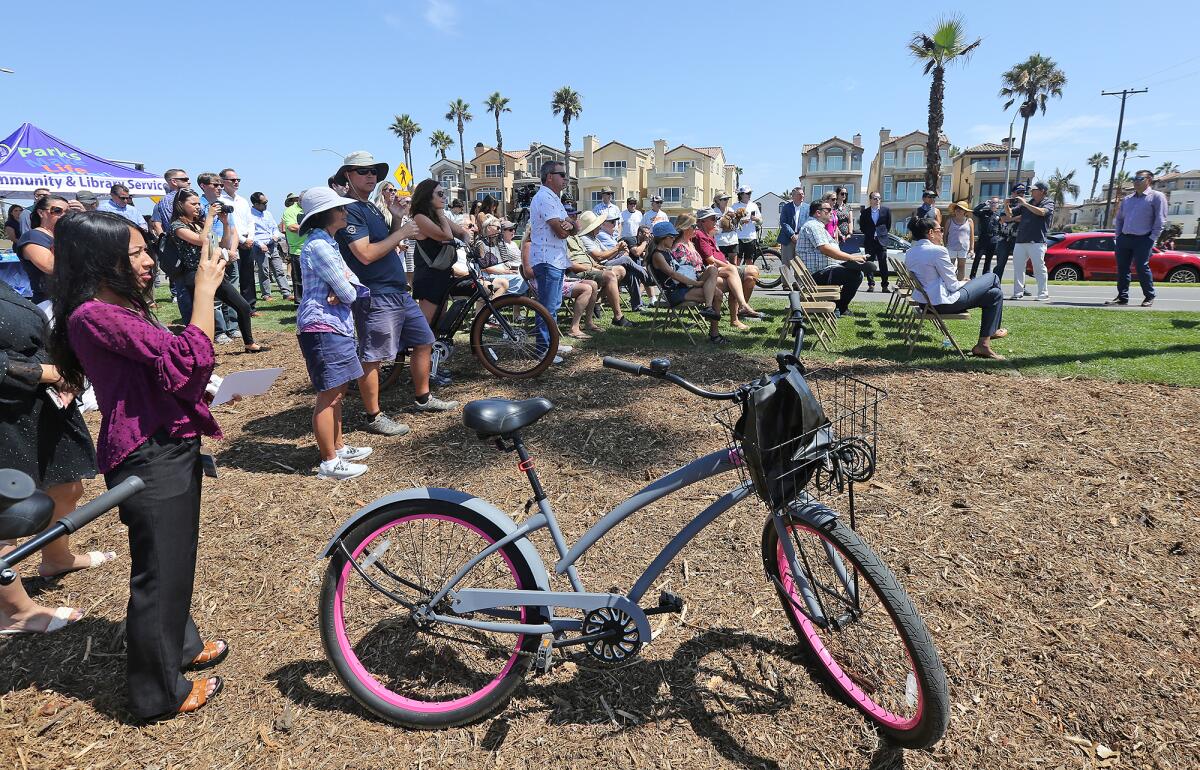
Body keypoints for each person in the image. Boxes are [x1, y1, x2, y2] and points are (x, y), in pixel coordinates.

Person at [52, 210, 230, 720]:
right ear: (99, 260)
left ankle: (180, 645)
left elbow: (166, 375)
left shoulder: (119, 306)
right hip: (146, 455)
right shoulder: (93, 315)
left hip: (166, 444)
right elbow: (189, 356)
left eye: (144, 249)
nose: (148, 260)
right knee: (159, 570)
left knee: (175, 558)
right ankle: (157, 693)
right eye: (135, 252)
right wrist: (203, 292)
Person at [0, 279, 108, 635]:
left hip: (39, 402)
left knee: (66, 486)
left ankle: (56, 557)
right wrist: (47, 372)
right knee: (8, 511)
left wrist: (65, 369)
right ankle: (14, 611)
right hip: (7, 407)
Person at [335, 154, 457, 427]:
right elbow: (365, 254)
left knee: (424, 340)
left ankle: (423, 398)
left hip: (398, 290)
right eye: (363, 171)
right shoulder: (351, 209)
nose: (371, 176)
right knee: (373, 356)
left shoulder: (370, 207)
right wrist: (401, 233)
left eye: (374, 171)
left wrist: (395, 220)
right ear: (348, 175)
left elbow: (384, 242)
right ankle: (373, 416)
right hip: (375, 293)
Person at [296, 188, 375, 480]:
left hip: (334, 325)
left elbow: (350, 284)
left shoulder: (327, 244)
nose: (344, 212)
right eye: (339, 208)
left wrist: (345, 289)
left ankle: (338, 447)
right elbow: (348, 290)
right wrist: (344, 289)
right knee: (329, 394)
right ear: (327, 214)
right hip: (322, 326)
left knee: (338, 390)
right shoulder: (319, 246)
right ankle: (329, 462)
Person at [168, 191, 267, 353]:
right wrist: (210, 217)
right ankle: (200, 352)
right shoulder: (177, 226)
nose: (197, 206)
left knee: (242, 306)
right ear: (181, 205)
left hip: (212, 270)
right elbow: (202, 240)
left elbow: (223, 243)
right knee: (201, 317)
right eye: (193, 204)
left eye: (198, 203)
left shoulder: (200, 223)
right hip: (195, 275)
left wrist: (226, 223)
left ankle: (249, 343)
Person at [904, 216, 1008, 359]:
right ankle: (993, 330)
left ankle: (983, 345)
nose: (942, 233)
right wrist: (967, 284)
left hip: (926, 303)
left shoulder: (910, 252)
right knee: (993, 277)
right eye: (940, 229)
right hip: (943, 303)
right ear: (930, 233)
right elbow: (953, 285)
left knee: (995, 294)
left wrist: (966, 283)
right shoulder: (937, 251)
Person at [647, 221, 725, 343]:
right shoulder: (657, 255)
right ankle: (714, 334)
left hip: (683, 287)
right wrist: (696, 283)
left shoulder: (667, 251)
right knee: (717, 294)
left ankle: (709, 309)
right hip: (674, 292)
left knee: (712, 270)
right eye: (672, 237)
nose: (674, 239)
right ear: (664, 238)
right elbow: (673, 274)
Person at [527, 160, 575, 359]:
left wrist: (569, 225)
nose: (566, 178)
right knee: (546, 307)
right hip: (547, 260)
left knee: (553, 306)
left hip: (555, 259)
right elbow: (561, 231)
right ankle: (543, 350)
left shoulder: (554, 198)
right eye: (562, 174)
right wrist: (568, 226)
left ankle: (551, 344)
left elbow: (574, 225)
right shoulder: (544, 198)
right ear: (549, 177)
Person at [796, 200, 873, 317]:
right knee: (855, 276)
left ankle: (839, 306)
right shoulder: (813, 226)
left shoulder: (817, 226)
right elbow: (825, 249)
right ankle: (839, 308)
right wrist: (851, 258)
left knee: (857, 269)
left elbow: (830, 250)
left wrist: (851, 259)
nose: (831, 212)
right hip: (816, 275)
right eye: (828, 210)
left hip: (824, 269)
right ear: (818, 213)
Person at [411, 178, 472, 321]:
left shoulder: (438, 217)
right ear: (427, 196)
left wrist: (466, 243)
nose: (444, 197)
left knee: (439, 320)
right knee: (427, 323)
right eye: (440, 194)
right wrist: (440, 213)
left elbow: (462, 233)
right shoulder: (420, 217)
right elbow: (447, 235)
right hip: (429, 276)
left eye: (443, 193)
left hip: (443, 273)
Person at [693, 208, 763, 328]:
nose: (716, 221)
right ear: (702, 221)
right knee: (745, 273)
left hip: (721, 269)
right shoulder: (700, 235)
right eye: (713, 218)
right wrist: (730, 266)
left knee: (752, 272)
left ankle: (737, 315)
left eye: (716, 218)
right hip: (711, 271)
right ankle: (741, 309)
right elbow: (710, 260)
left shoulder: (708, 234)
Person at [1108, 169, 1167, 307]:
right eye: (1134, 178)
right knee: (1122, 268)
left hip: (1144, 239)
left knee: (1141, 267)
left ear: (1149, 180)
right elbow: (1120, 219)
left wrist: (1152, 238)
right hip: (1124, 238)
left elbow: (1160, 220)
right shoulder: (1127, 199)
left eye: (1140, 179)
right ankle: (1122, 297)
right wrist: (1118, 236)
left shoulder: (1157, 197)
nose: (1136, 181)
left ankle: (1149, 296)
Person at [572, 211, 633, 326]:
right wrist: (617, 249)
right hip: (582, 270)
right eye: (597, 225)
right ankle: (618, 316)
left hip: (594, 265)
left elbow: (599, 256)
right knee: (620, 268)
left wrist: (619, 251)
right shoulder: (583, 238)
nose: (600, 227)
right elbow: (598, 256)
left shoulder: (589, 238)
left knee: (621, 269)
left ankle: (596, 301)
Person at [15, 194, 69, 304]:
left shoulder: (65, 236)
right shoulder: (33, 236)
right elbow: (51, 267)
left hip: (70, 299)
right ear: (41, 213)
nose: (64, 215)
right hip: (49, 302)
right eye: (57, 210)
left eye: (68, 212)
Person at [1006, 181, 1054, 301]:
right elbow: (1010, 215)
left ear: (1042, 191)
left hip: (1037, 241)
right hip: (1021, 240)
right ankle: (1018, 293)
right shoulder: (1028, 203)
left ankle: (1043, 293)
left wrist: (1025, 204)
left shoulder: (1048, 202)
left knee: (1039, 268)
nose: (1031, 191)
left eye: (1034, 189)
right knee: (1018, 268)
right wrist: (1006, 205)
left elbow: (1042, 212)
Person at [219, 169, 257, 309]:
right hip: (232, 243)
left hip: (248, 241)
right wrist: (242, 240)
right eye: (232, 180)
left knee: (248, 276)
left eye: (238, 180)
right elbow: (230, 225)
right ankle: (234, 306)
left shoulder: (242, 200)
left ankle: (250, 306)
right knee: (233, 277)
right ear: (223, 182)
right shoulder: (220, 201)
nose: (236, 182)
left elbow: (250, 221)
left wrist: (250, 238)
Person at [249, 192, 292, 301]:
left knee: (279, 270)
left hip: (272, 245)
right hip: (260, 247)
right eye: (264, 203)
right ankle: (266, 294)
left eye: (266, 202)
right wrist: (260, 244)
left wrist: (275, 236)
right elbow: (250, 234)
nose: (266, 205)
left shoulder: (268, 214)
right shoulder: (249, 215)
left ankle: (286, 293)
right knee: (264, 271)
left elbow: (274, 228)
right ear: (256, 204)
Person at [858, 191, 892, 292]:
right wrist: (870, 234)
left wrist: (881, 234)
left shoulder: (886, 211)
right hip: (870, 241)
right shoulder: (865, 212)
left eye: (879, 198)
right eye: (875, 198)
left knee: (883, 264)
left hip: (881, 241)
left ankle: (885, 286)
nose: (877, 200)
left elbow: (888, 225)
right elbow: (862, 227)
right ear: (870, 200)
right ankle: (871, 284)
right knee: (869, 263)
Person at [777, 187, 808, 289]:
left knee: (799, 262)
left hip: (801, 238)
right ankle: (786, 284)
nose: (802, 196)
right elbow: (783, 222)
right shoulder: (786, 207)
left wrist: (799, 235)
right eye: (799, 194)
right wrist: (792, 235)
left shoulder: (807, 208)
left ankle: (798, 284)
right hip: (787, 238)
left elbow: (808, 222)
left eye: (803, 194)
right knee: (786, 262)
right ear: (793, 196)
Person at [150, 170, 191, 237]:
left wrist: (163, 241)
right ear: (174, 182)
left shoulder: (160, 202)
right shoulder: (178, 199)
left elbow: (156, 225)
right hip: (185, 240)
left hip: (173, 241)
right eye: (185, 179)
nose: (188, 182)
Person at [279, 192, 304, 301]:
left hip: (312, 248)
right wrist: (311, 227)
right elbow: (290, 227)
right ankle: (299, 302)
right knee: (298, 278)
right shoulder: (289, 211)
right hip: (297, 249)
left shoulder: (310, 208)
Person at [731, 186, 762, 266]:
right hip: (738, 237)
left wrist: (756, 219)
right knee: (737, 259)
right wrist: (741, 221)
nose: (749, 195)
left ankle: (749, 277)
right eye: (747, 193)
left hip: (751, 236)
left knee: (749, 260)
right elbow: (731, 222)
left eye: (750, 193)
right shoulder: (734, 206)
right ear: (741, 195)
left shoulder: (754, 205)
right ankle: (736, 277)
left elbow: (761, 221)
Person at [945, 201, 975, 281]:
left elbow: (972, 236)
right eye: (956, 208)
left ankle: (960, 284)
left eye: (961, 209)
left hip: (963, 247)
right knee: (950, 267)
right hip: (951, 247)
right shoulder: (949, 220)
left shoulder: (969, 221)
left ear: (965, 211)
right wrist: (945, 245)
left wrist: (972, 249)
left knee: (961, 266)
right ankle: (950, 283)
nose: (958, 210)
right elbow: (945, 235)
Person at [970, 197, 999, 278]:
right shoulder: (984, 213)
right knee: (977, 258)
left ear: (998, 204)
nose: (993, 204)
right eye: (992, 202)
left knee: (988, 260)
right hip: (983, 238)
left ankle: (985, 276)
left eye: (995, 203)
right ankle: (972, 276)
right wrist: (984, 204)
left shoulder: (999, 215)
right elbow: (974, 211)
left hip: (993, 240)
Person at [713, 191, 740, 264]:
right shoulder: (713, 212)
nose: (727, 201)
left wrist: (736, 220)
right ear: (718, 201)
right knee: (721, 263)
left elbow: (736, 226)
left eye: (727, 199)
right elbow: (714, 228)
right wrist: (723, 227)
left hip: (732, 240)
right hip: (720, 241)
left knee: (734, 263)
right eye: (724, 199)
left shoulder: (731, 210)